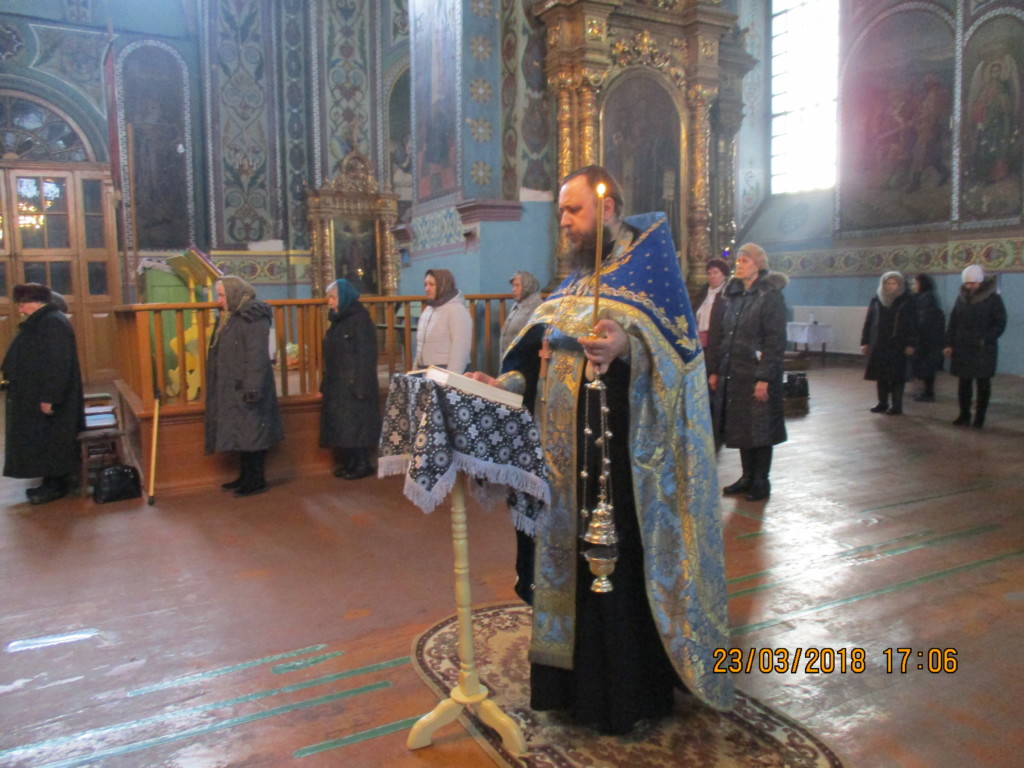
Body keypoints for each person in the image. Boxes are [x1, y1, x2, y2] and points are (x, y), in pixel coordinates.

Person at [470, 166, 733, 733]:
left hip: (621, 472)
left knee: (615, 573)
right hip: (561, 470)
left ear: (607, 209)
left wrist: (628, 347)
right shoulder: (571, 285)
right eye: (561, 212)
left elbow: (683, 365)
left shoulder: (650, 276)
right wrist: (504, 383)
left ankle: (624, 699)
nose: (564, 221)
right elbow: (535, 359)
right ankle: (567, 690)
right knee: (565, 570)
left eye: (574, 210)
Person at [706, 243, 788, 502]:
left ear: (758, 265)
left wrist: (764, 377)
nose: (739, 265)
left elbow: (774, 340)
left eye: (745, 260)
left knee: (760, 428)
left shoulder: (769, 295)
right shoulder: (733, 295)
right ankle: (747, 476)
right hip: (735, 371)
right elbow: (723, 334)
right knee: (742, 425)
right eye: (738, 260)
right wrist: (716, 370)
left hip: (756, 372)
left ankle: (761, 480)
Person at [2, 283, 85, 505]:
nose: (20, 309)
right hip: (36, 393)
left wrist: (50, 397)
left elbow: (58, 364)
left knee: (52, 440)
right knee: (44, 440)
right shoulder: (46, 320)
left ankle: (56, 485)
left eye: (23, 304)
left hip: (50, 398)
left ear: (37, 302)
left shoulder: (53, 322)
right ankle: (49, 482)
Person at [205, 275, 284, 496]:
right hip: (235, 385)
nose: (218, 300)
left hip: (250, 387)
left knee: (253, 433)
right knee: (242, 433)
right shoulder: (232, 315)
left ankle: (256, 480)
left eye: (222, 295)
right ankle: (245, 476)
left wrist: (253, 388)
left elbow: (257, 356)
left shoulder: (253, 317)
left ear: (234, 294)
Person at [319, 279, 381, 479]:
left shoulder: (360, 320)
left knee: (357, 424)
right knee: (344, 425)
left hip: (355, 382)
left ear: (344, 297)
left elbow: (366, 354)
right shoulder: (338, 320)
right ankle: (350, 462)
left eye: (333, 297)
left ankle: (363, 463)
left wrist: (361, 384)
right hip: (339, 381)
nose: (330, 302)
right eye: (329, 298)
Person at [944, 265, 1007, 428]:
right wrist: (949, 343)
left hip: (983, 349)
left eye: (973, 283)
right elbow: (953, 322)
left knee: (982, 383)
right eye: (967, 283)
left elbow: (1000, 323)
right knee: (964, 382)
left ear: (980, 281)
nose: (969, 286)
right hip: (963, 347)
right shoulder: (961, 298)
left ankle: (980, 417)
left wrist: (985, 339)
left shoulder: (993, 299)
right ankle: (964, 414)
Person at [860, 271, 918, 415]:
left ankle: (896, 405)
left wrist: (911, 343)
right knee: (881, 375)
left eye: (894, 283)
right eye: (888, 283)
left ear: (899, 285)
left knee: (897, 376)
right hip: (879, 343)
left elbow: (914, 324)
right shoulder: (877, 299)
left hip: (898, 344)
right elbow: (869, 321)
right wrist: (865, 341)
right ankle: (882, 403)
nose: (891, 286)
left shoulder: (907, 300)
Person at [414, 268, 472, 373]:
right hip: (427, 370)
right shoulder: (428, 309)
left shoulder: (456, 309)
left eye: (432, 284)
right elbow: (420, 346)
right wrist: (416, 369)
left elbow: (460, 348)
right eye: (425, 284)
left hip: (446, 371)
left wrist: (451, 377)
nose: (427, 288)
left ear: (443, 285)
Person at [910, 273, 945, 402]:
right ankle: (926, 391)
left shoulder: (926, 299)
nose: (913, 286)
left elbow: (923, 319)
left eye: (915, 283)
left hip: (926, 338)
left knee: (926, 366)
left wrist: (915, 332)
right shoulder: (926, 297)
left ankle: (928, 393)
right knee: (926, 366)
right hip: (928, 338)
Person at [499, 270, 543, 354]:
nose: (513, 290)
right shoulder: (516, 306)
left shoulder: (537, 307)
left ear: (527, 286)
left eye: (517, 285)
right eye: (513, 286)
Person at [694, 257, 731, 352]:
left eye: (715, 272)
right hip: (699, 343)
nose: (712, 276)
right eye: (709, 273)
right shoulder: (701, 294)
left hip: (718, 345)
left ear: (724, 274)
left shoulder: (728, 295)